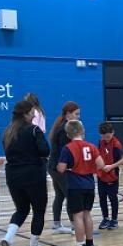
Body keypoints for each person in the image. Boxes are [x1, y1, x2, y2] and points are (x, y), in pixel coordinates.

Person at [0, 100, 51, 246]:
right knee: (39, 209)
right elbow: (45, 151)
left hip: (12, 175)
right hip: (33, 174)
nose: (35, 114)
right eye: (32, 112)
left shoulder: (8, 131)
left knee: (21, 209)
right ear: (26, 114)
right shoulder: (34, 130)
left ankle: (8, 238)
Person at [58, 120, 105, 246]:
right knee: (87, 214)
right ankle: (90, 245)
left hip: (75, 185)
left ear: (68, 134)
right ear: (82, 131)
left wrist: (68, 167)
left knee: (77, 216)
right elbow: (101, 165)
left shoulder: (68, 148)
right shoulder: (91, 146)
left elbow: (61, 169)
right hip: (89, 185)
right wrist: (88, 167)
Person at [48, 101, 80, 235]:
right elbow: (64, 152)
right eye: (76, 114)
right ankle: (75, 226)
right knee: (70, 195)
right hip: (58, 167)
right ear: (68, 114)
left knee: (60, 195)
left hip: (54, 166)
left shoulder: (62, 126)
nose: (78, 117)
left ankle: (56, 225)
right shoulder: (64, 130)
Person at [96, 122, 123, 230]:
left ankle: (114, 220)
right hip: (101, 174)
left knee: (113, 198)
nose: (106, 139)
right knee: (102, 197)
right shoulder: (100, 142)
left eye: (108, 136)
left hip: (112, 175)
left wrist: (111, 166)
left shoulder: (116, 144)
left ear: (112, 133)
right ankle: (105, 218)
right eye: (104, 137)